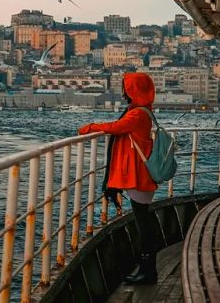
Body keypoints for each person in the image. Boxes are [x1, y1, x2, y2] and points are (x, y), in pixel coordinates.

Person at [78, 72, 158, 285]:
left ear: (133, 90)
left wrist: (91, 126)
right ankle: (147, 268)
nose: (123, 91)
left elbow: (116, 127)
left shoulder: (137, 114)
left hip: (139, 175)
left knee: (143, 223)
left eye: (126, 87)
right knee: (143, 219)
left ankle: (148, 270)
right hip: (141, 173)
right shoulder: (143, 111)